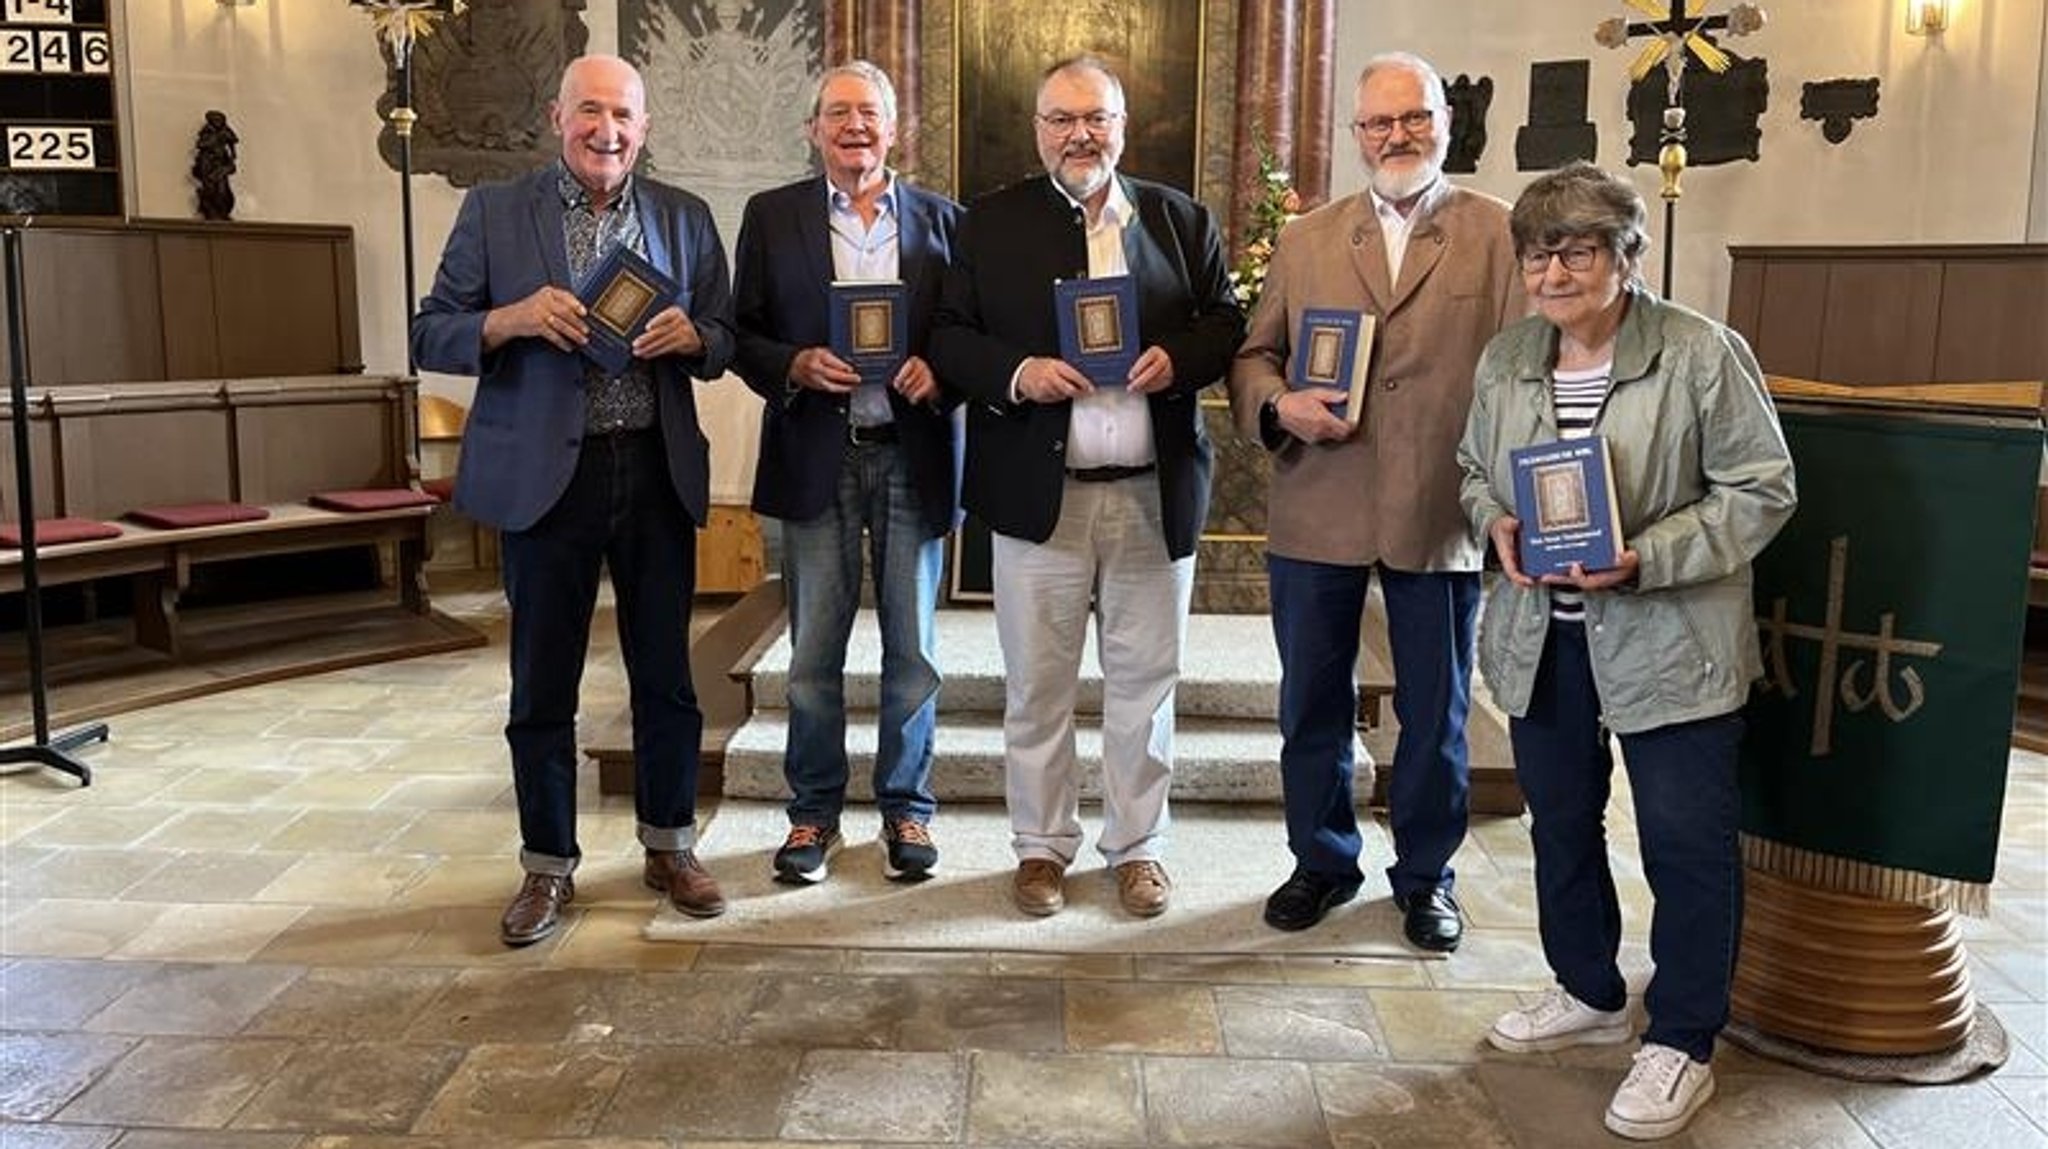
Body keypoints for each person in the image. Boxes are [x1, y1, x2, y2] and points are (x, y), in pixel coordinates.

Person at [1457, 161, 1795, 1140]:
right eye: (1535, 251)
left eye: (1575, 248)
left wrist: (1645, 557)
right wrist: (1495, 525)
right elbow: (1476, 466)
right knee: (1559, 825)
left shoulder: (1699, 352)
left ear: (1625, 255)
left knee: (1683, 844)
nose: (1551, 269)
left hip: (1667, 638)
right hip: (1542, 639)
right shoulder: (1508, 357)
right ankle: (1587, 990)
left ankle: (1682, 1039)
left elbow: (1759, 487)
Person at [411, 54, 737, 946]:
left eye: (624, 116)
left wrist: (694, 337)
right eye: (591, 112)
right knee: (542, 681)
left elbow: (725, 333)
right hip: (546, 480)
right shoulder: (495, 212)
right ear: (558, 117)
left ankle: (670, 846)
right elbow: (430, 329)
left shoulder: (683, 217)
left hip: (654, 470)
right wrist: (510, 319)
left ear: (645, 126)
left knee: (665, 677)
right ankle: (546, 865)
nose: (608, 131)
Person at [929, 55, 1243, 919]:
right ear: (1039, 131)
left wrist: (1178, 358)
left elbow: (1227, 322)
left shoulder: (1179, 219)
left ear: (1122, 126)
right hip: (1042, 495)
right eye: (1062, 120)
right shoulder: (989, 225)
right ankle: (1040, 848)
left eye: (1095, 119)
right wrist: (1020, 371)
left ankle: (1138, 848)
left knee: (1146, 686)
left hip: (1151, 490)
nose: (1080, 135)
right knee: (1037, 686)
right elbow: (949, 336)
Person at [1228, 52, 1523, 950]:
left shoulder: (1501, 232)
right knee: (1311, 699)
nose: (1397, 136)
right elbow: (1253, 358)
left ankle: (1427, 876)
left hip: (1443, 510)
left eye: (1414, 118)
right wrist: (1281, 405)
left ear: (1445, 120)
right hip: (1320, 502)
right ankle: (1320, 860)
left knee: (1435, 711)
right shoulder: (1306, 236)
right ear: (1355, 134)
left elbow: (1523, 371)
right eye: (1378, 123)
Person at [731, 61, 963, 884]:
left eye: (869, 113)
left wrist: (942, 371)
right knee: (811, 655)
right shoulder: (772, 215)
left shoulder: (943, 220)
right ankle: (813, 816)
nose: (854, 126)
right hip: (814, 456)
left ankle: (908, 808)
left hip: (914, 453)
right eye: (837, 113)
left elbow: (970, 333)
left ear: (895, 129)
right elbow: (740, 333)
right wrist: (794, 362)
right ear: (813, 130)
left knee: (914, 651)